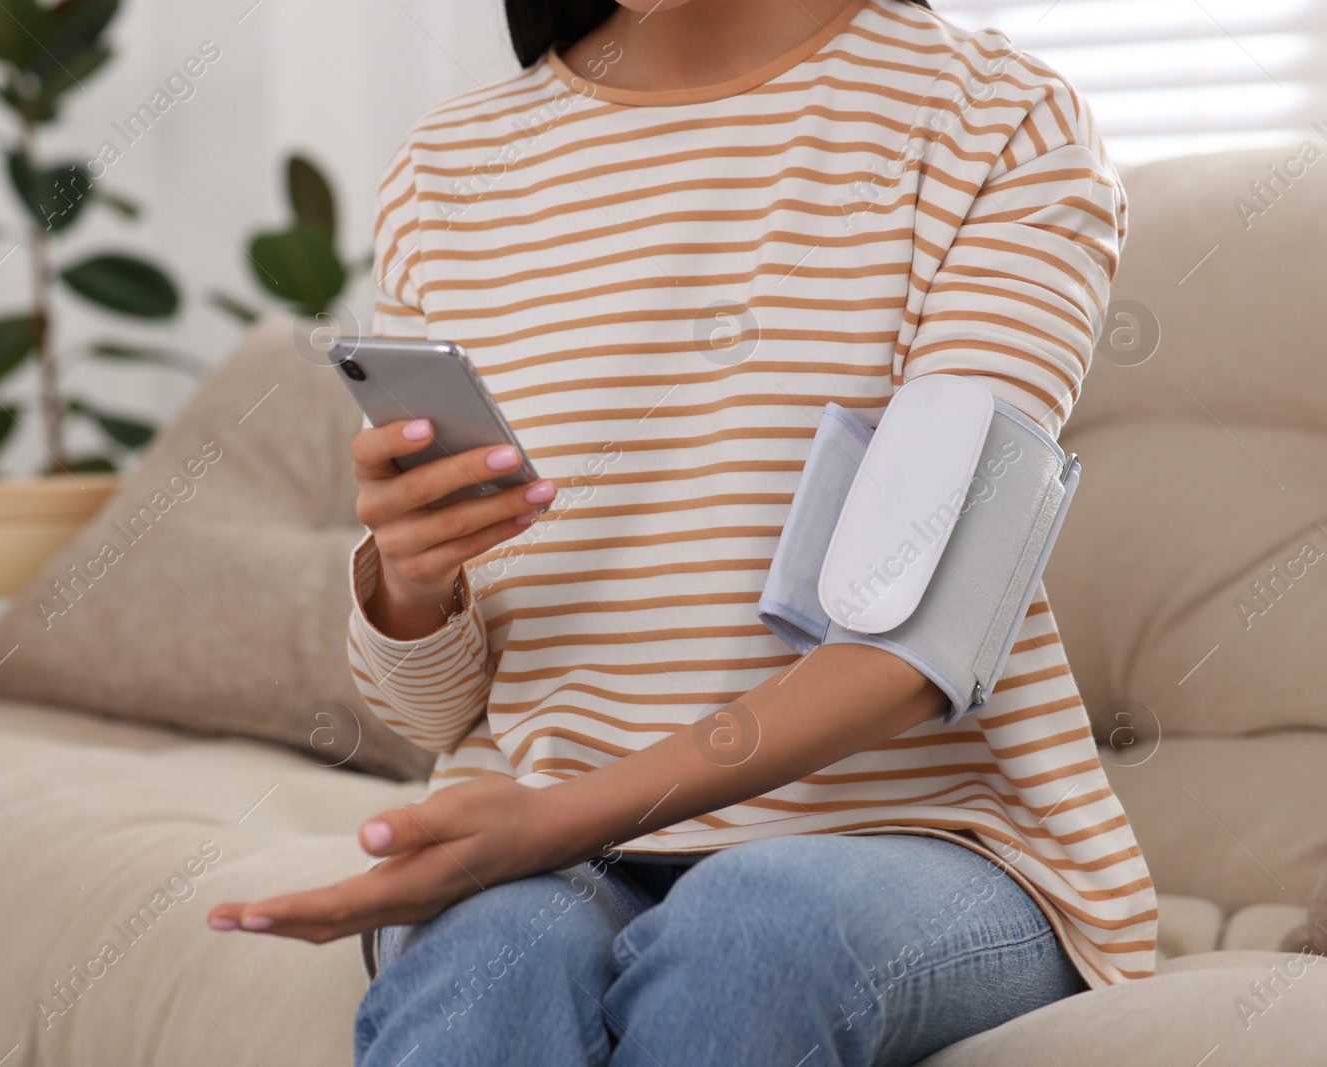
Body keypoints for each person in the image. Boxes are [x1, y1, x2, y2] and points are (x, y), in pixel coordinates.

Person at [209, 1, 1157, 1063]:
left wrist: (559, 818)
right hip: (545, 844)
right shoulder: (451, 167)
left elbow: (921, 634)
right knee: (493, 967)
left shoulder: (996, 121)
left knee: (751, 931)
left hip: (929, 847)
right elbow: (431, 710)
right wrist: (411, 583)